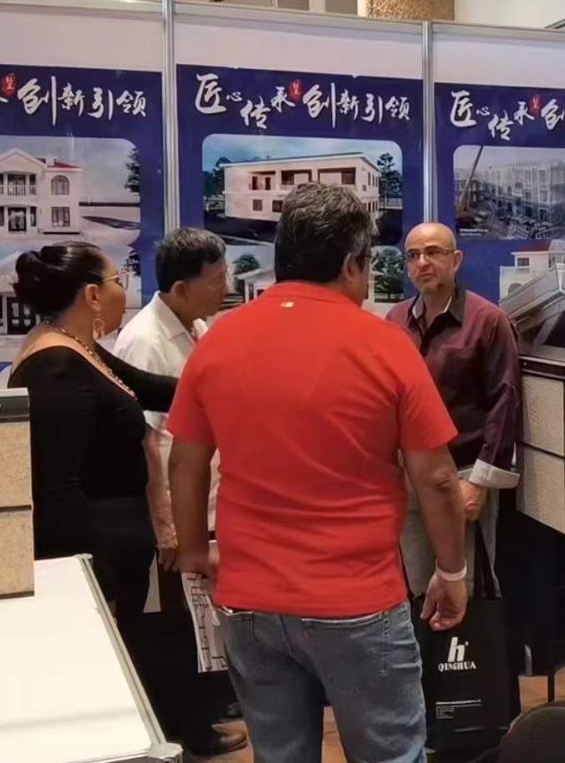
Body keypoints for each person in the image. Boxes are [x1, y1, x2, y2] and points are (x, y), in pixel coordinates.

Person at [166, 183, 469, 763]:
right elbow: (435, 478)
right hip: (357, 599)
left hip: (250, 600)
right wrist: (452, 571)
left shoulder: (220, 339)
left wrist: (195, 552)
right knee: (390, 754)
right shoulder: (384, 345)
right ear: (353, 264)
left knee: (281, 755)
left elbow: (185, 461)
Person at [5, 243, 243, 756]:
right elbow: (58, 491)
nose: (123, 292)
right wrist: (97, 587)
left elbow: (152, 389)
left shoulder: (78, 348)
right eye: (118, 282)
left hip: (118, 547)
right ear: (92, 295)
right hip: (100, 560)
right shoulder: (55, 367)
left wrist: (240, 387)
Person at [110, 228, 243, 758]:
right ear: (182, 288)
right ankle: (186, 729)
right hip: (175, 504)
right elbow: (148, 441)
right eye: (217, 279)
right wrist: (166, 521)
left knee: (201, 616)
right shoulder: (145, 341)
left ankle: (205, 709)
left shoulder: (198, 326)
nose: (225, 287)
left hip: (207, 499)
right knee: (174, 623)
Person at [386, 222, 521, 597]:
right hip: (408, 476)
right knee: (414, 586)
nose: (422, 263)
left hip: (462, 476)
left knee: (464, 588)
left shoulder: (487, 321)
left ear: (456, 260)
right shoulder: (395, 321)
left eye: (433, 252)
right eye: (413, 255)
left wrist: (480, 483)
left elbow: (505, 403)